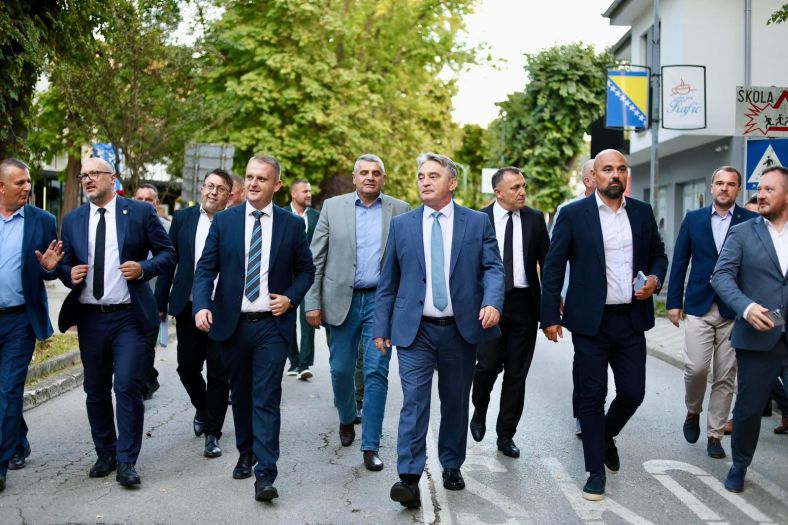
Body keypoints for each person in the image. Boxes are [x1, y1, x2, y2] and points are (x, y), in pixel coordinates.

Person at [373, 152, 504, 508]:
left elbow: (493, 268)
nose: (425, 181)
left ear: (452, 182)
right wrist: (381, 326)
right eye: (421, 176)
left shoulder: (476, 223)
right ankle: (408, 477)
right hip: (415, 331)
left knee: (455, 401)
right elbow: (388, 281)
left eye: (433, 175)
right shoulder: (402, 225)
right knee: (414, 403)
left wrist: (493, 302)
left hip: (459, 330)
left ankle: (451, 463)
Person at [540, 149, 668, 502]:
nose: (615, 174)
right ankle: (595, 471)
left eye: (621, 169)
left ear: (627, 175)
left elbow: (658, 254)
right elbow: (553, 266)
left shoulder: (641, 212)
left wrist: (655, 278)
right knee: (592, 397)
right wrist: (549, 315)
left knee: (633, 393)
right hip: (589, 324)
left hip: (631, 318)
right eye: (607, 169)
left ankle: (605, 435)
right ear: (593, 176)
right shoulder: (573, 214)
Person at [193, 155, 314, 501]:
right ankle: (245, 452)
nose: (253, 183)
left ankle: (266, 473)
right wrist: (201, 305)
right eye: (249, 177)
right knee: (242, 396)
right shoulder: (225, 221)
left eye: (262, 178)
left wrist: (290, 298)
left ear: (276, 185)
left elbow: (306, 271)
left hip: (271, 326)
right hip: (233, 325)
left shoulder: (292, 225)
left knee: (266, 397)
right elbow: (206, 269)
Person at [58, 157, 175, 487]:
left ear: (113, 179)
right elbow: (64, 265)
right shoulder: (74, 219)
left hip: (129, 317)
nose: (88, 179)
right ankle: (105, 453)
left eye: (95, 173)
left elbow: (168, 254)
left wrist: (142, 268)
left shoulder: (139, 213)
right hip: (90, 318)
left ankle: (127, 461)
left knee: (126, 386)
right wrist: (65, 272)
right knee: (95, 389)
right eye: (83, 175)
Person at [305, 154, 409, 471]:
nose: (370, 177)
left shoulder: (400, 210)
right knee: (340, 370)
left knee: (376, 372)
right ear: (354, 178)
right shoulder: (332, 208)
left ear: (383, 178)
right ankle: (347, 416)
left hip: (381, 303)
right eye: (364, 172)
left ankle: (371, 445)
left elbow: (408, 262)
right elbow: (315, 259)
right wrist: (312, 302)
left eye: (376, 173)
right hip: (341, 301)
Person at [666, 166, 757, 459]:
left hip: (734, 309)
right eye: (719, 183)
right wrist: (673, 302)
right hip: (699, 305)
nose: (724, 188)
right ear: (712, 186)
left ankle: (715, 435)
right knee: (696, 368)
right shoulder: (694, 219)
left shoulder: (751, 221)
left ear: (738, 189)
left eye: (730, 184)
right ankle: (693, 410)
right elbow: (680, 261)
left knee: (726, 375)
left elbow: (756, 266)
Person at [711, 165, 788, 493]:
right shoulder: (743, 233)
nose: (761, 194)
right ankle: (739, 465)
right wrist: (746, 307)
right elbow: (721, 276)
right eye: (760, 188)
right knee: (748, 409)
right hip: (758, 336)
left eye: (770, 189)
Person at [470, 167, 549, 458]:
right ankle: (479, 408)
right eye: (515, 187)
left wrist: (551, 306)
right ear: (498, 192)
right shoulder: (479, 219)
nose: (522, 192)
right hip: (489, 305)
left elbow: (548, 263)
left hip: (525, 305)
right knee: (487, 366)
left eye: (523, 186)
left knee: (517, 374)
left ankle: (506, 435)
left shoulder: (535, 219)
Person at [154, 169, 232, 458]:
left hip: (222, 308)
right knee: (186, 367)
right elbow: (169, 261)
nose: (213, 192)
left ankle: (213, 433)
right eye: (209, 186)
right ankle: (203, 406)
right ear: (201, 188)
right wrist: (160, 302)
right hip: (187, 305)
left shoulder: (235, 222)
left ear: (229, 195)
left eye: (220, 188)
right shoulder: (183, 218)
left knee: (219, 373)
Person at [0, 159, 63, 491]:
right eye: (20, 183)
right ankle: (18, 440)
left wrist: (50, 268)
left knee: (9, 389)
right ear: (1, 187)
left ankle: (0, 464)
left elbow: (50, 269)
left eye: (28, 182)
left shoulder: (43, 221)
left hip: (20, 319)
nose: (27, 187)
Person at [552, 159, 596, 438]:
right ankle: (583, 413)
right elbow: (557, 258)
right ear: (587, 180)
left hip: (615, 301)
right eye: (597, 171)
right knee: (584, 359)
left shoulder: (626, 211)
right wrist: (558, 294)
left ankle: (595, 410)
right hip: (578, 297)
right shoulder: (568, 211)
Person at [132, 183, 171, 400]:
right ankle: (149, 377)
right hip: (129, 297)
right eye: (140, 199)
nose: (144, 203)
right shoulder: (125, 224)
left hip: (154, 296)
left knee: (147, 343)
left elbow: (170, 264)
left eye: (149, 200)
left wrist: (164, 301)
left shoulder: (167, 228)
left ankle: (144, 385)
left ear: (156, 203)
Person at [286, 179, 320, 380]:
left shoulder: (317, 217)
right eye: (304, 191)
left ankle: (305, 364)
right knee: (288, 320)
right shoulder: (281, 214)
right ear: (293, 194)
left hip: (309, 274)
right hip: (285, 276)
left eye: (310, 191)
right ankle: (293, 361)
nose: (309, 194)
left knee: (309, 318)